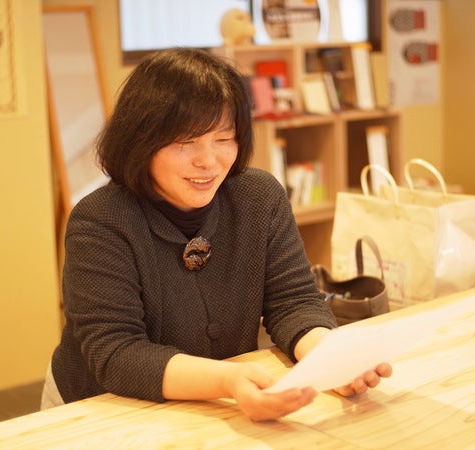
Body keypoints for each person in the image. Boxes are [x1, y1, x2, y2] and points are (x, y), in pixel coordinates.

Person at [41, 48, 392, 421]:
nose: (208, 161)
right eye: (185, 142)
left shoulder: (259, 197)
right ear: (140, 140)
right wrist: (227, 380)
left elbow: (293, 302)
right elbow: (117, 353)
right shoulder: (101, 220)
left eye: (224, 139)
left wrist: (331, 360)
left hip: (206, 403)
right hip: (98, 409)